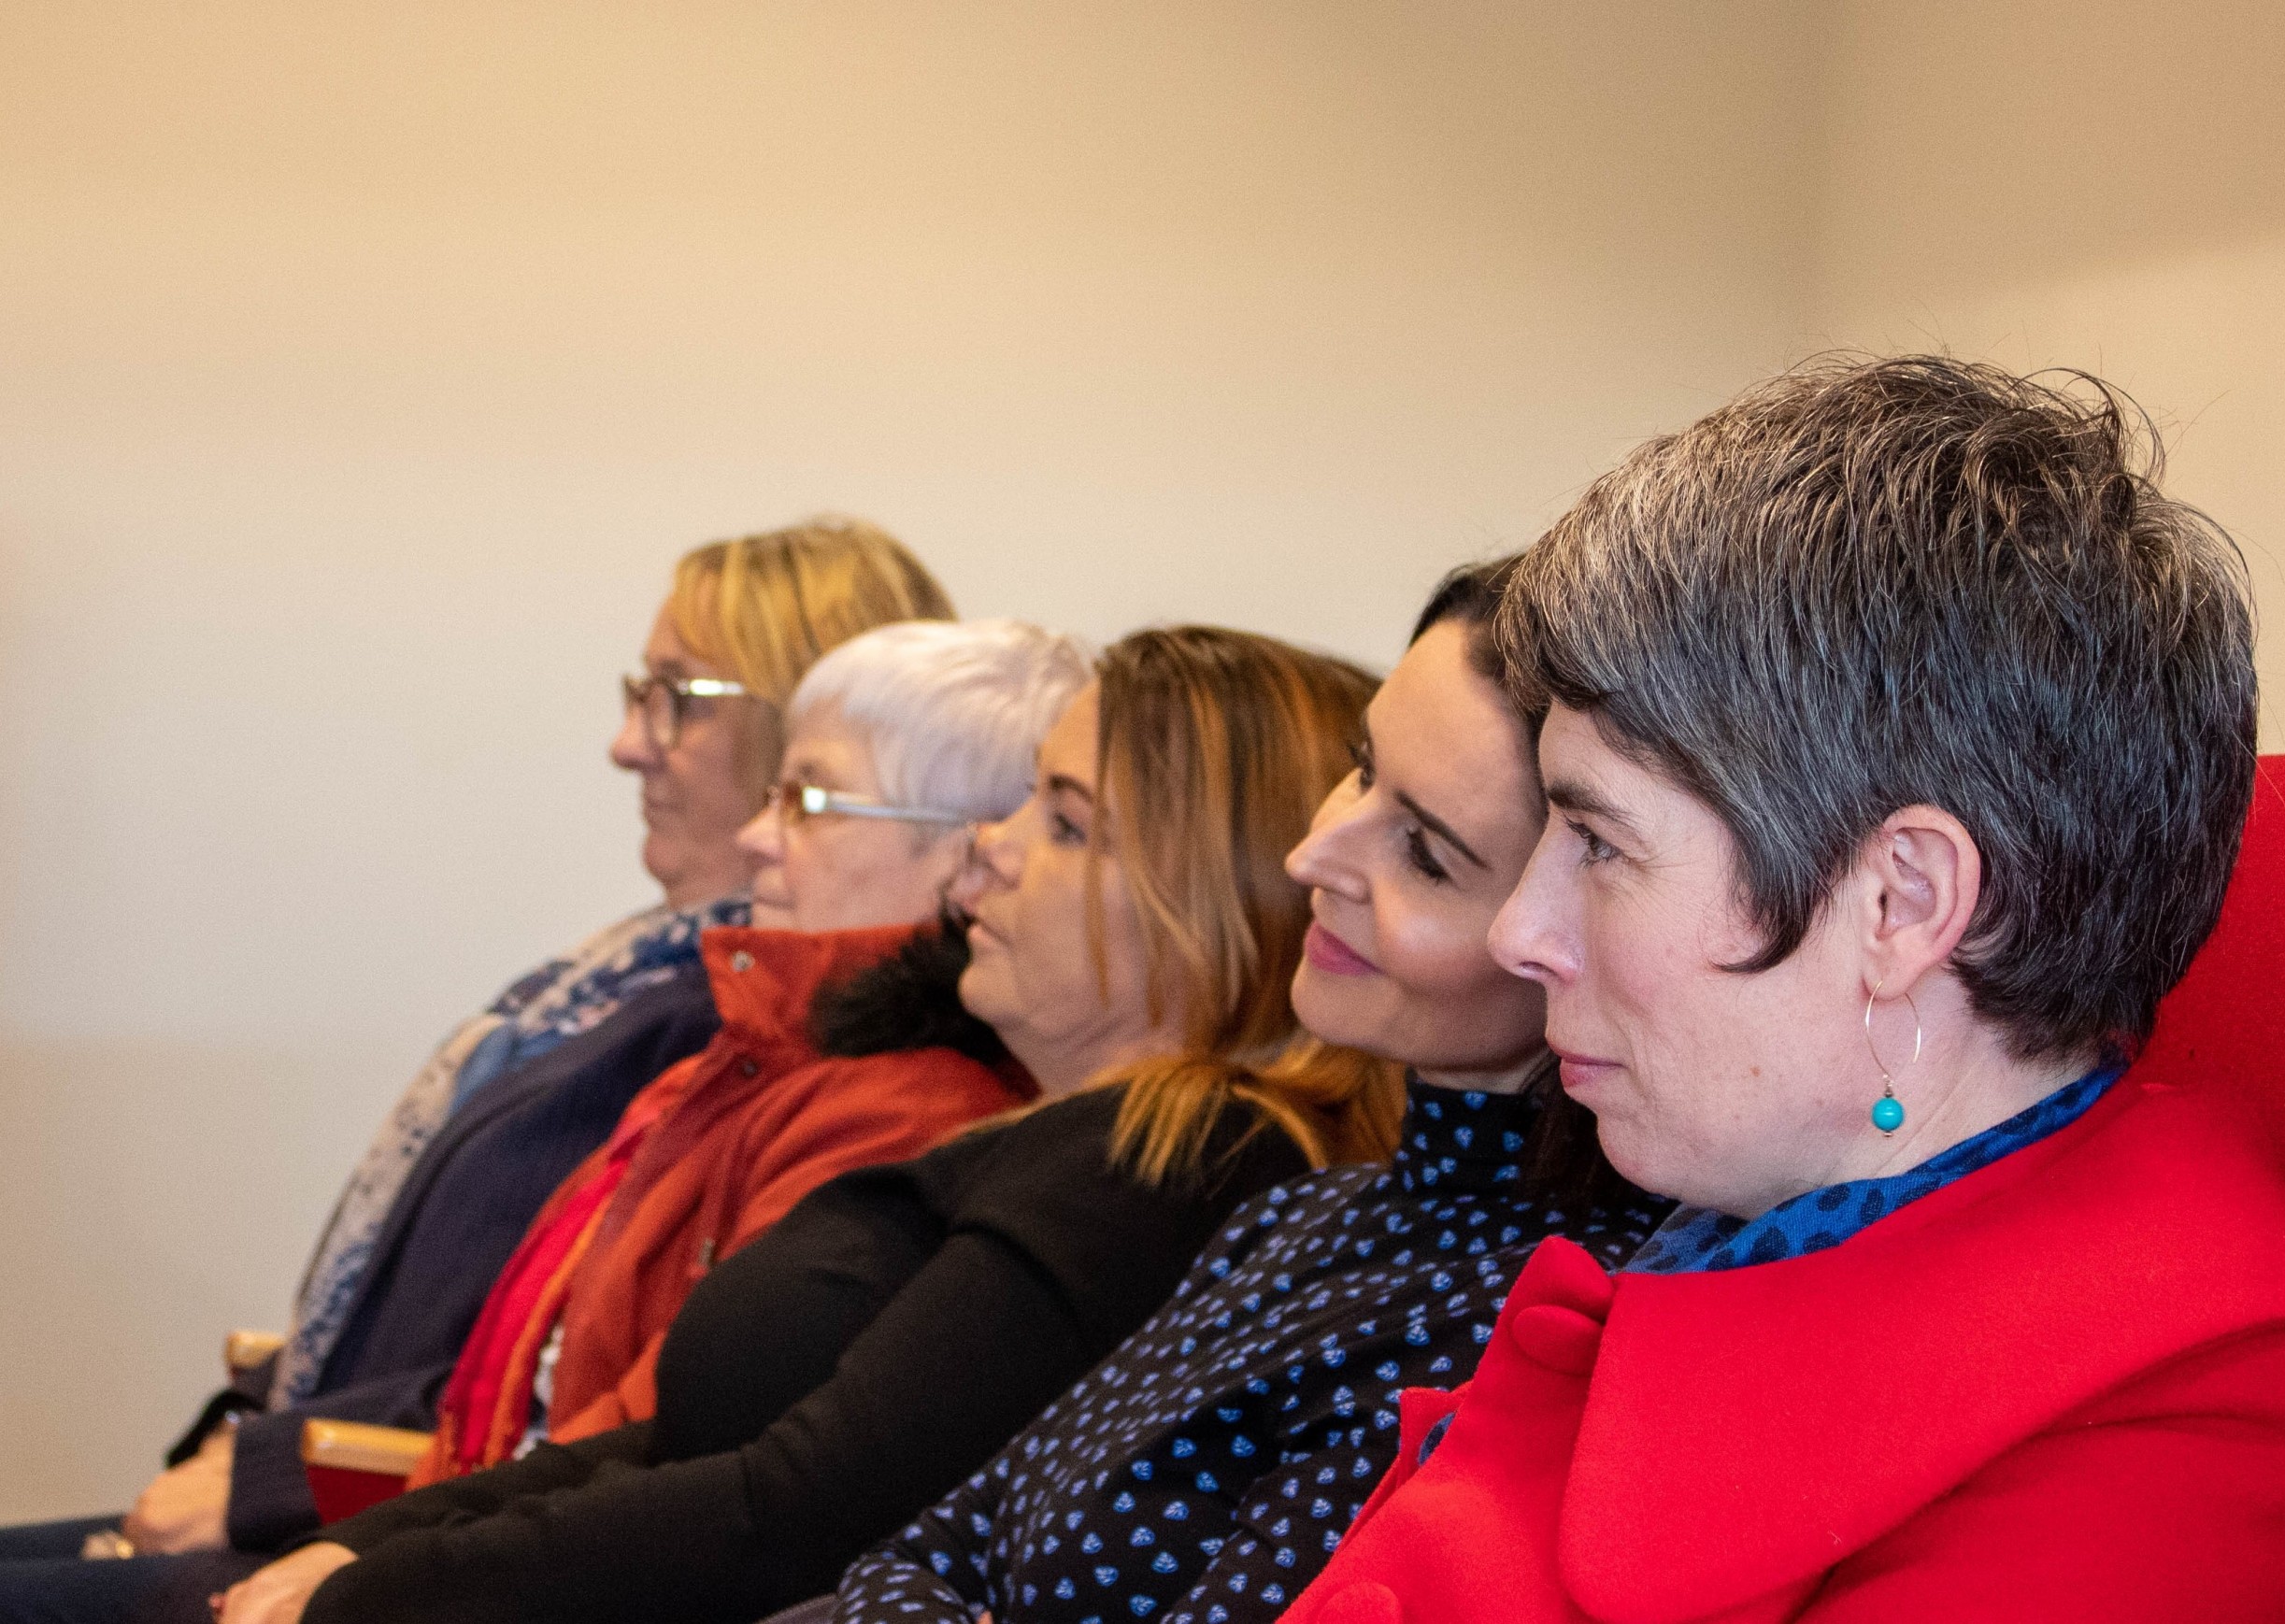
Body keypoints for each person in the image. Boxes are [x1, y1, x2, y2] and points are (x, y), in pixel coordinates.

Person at [1276, 357, 2285, 1624]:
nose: (1524, 933)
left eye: (1600, 842)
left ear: (1904, 902)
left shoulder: (2194, 1456)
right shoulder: (1778, 1210)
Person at [209, 626, 1405, 1624]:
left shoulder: (1164, 1163)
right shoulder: (1071, 1134)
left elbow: (799, 1512)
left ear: (1212, 905)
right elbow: (672, 1441)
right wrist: (369, 1557)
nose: (987, 848)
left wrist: (370, 1585)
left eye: (1065, 822)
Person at [0, 519, 952, 1622]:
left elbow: (611, 1413)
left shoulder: (738, 1022)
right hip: (384, 1496)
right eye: (639, 691)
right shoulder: (633, 977)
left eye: (675, 697)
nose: (628, 742)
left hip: (409, 1518)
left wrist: (280, 1471)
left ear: (788, 724)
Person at [828, 560, 1668, 1624]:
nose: (1315, 852)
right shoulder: (1303, 1217)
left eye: (1425, 854)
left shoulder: (1524, 1319)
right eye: (1361, 771)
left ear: (1565, 933)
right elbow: (920, 1550)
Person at [415, 618, 1091, 1482]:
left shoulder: (908, 1115)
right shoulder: (752, 1057)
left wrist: (388, 1567)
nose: (756, 836)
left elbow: (672, 1437)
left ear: (966, 855)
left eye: (808, 802)